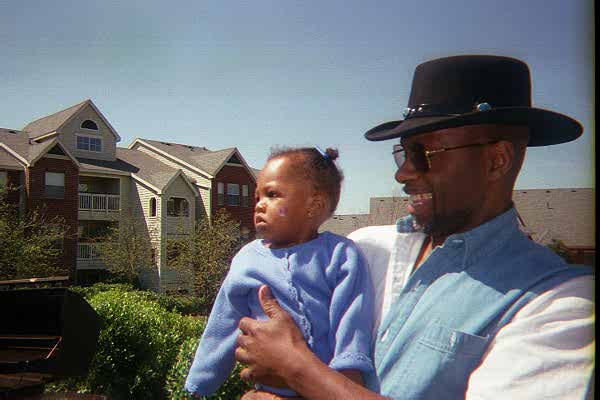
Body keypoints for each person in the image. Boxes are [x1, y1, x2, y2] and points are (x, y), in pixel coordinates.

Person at [234, 55, 595, 399]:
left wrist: (297, 368)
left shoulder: (558, 302)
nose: (403, 173)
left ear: (496, 160)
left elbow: (300, 366)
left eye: (424, 154)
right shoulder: (364, 250)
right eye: (403, 153)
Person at [185, 147, 375, 397]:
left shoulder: (340, 255)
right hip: (269, 392)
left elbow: (352, 326)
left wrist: (347, 382)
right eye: (257, 197)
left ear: (314, 205)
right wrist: (198, 386)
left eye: (272, 194)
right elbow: (223, 325)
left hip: (324, 389)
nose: (259, 205)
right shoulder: (247, 259)